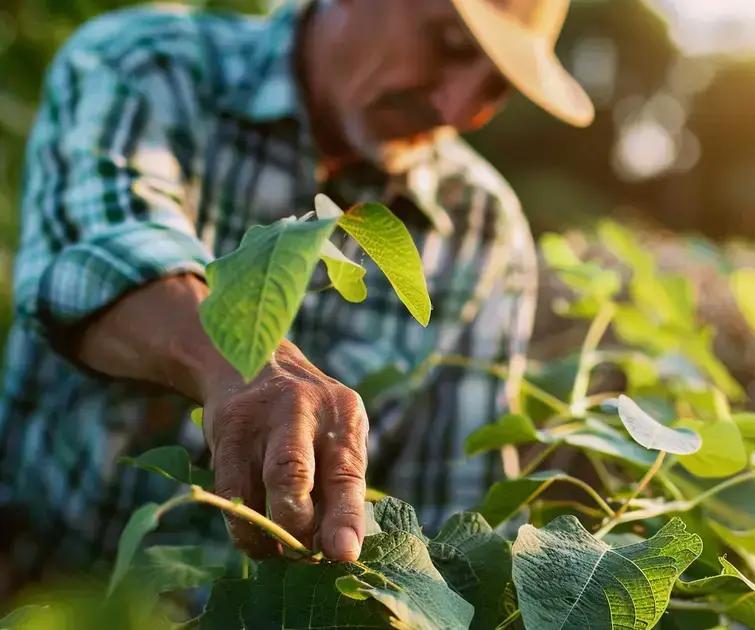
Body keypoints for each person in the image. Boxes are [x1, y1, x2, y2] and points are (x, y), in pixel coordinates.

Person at [0, 0, 593, 592]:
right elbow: (96, 254)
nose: (457, 108)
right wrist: (253, 372)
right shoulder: (150, 65)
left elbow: (452, 542)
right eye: (452, 44)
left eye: (497, 86)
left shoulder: (481, 229)